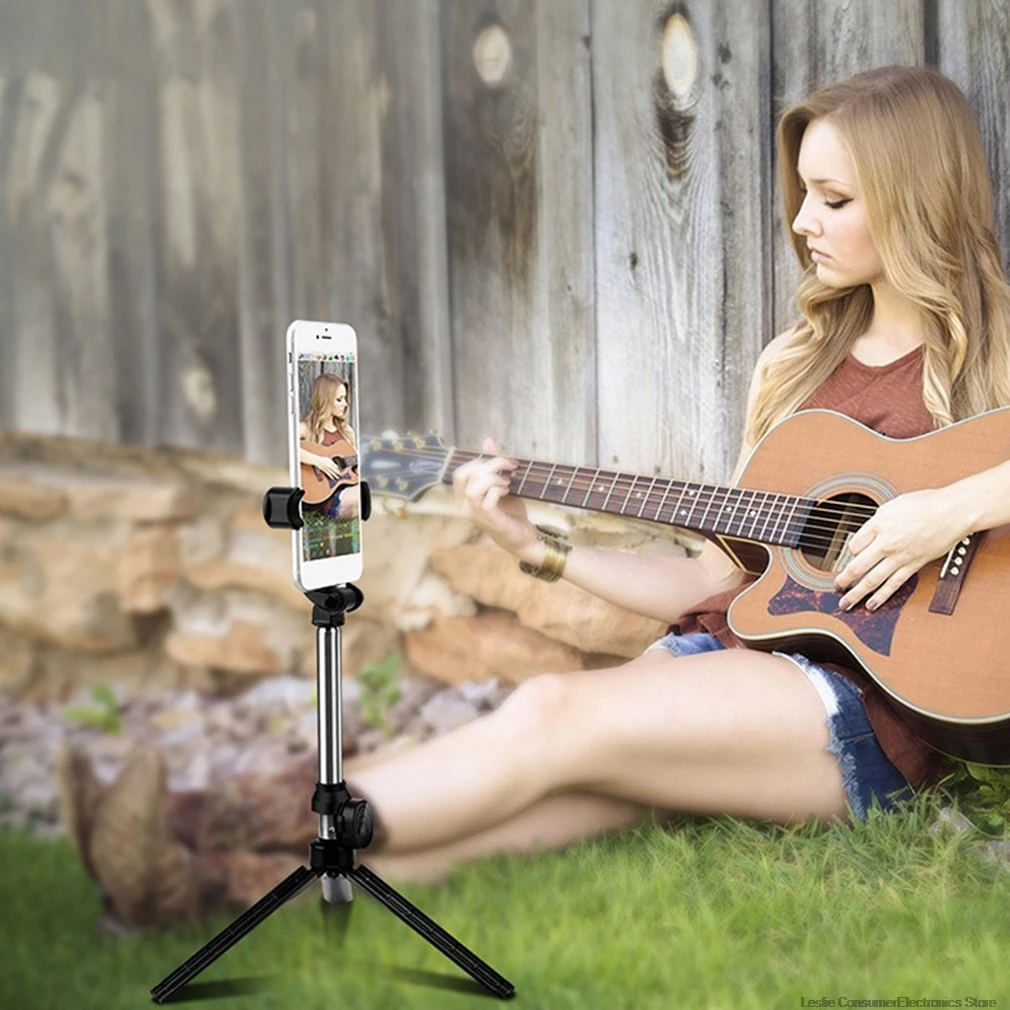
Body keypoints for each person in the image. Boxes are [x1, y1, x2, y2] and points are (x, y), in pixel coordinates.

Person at [59, 65, 1010, 928]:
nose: (801, 221)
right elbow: (705, 582)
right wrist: (533, 546)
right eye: (802, 193)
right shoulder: (796, 367)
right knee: (547, 794)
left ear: (912, 199)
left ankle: (195, 812)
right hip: (723, 660)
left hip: (860, 712)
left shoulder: (994, 354)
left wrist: (944, 512)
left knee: (551, 711)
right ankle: (194, 884)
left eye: (834, 199)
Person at [299, 373, 359, 520]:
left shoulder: (347, 432)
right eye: (339, 399)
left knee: (368, 491)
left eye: (345, 399)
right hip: (327, 500)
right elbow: (290, 450)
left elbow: (356, 470)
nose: (345, 404)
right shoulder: (305, 428)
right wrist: (319, 461)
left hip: (348, 493)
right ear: (325, 400)